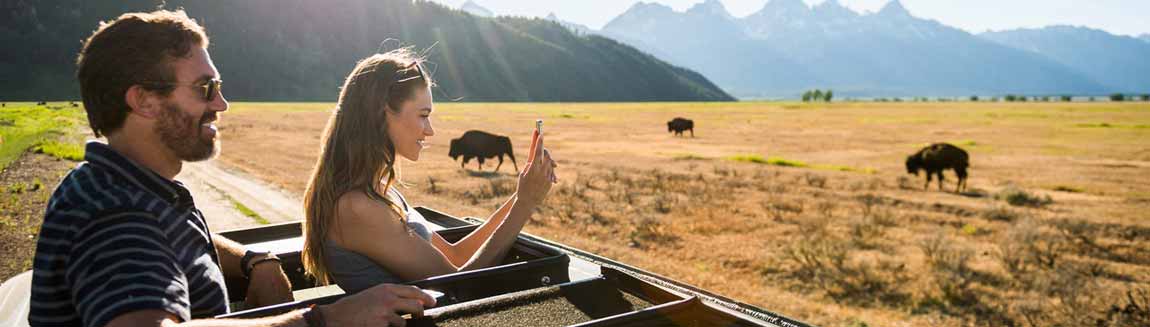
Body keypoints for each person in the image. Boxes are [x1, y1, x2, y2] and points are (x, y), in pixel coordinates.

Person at [30, 10, 434, 327]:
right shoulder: (115, 212)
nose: (221, 104)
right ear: (144, 101)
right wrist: (325, 318)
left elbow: (177, 241)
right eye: (206, 88)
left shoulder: (132, 188)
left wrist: (252, 260)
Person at [300, 49, 558, 293]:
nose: (430, 130)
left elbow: (455, 256)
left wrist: (522, 193)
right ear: (383, 112)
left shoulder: (380, 191)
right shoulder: (357, 206)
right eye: (423, 115)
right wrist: (525, 204)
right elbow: (457, 285)